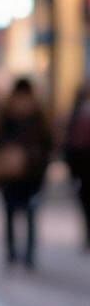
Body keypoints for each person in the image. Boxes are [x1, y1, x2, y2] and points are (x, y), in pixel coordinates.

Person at [0, 78, 52, 269]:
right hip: (22, 174)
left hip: (22, 174)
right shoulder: (36, 114)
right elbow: (48, 144)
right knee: (23, 215)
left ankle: (18, 254)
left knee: (18, 215)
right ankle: (22, 254)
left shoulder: (9, 113)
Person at [65, 85, 90, 251]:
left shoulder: (78, 115)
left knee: (86, 204)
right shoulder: (78, 116)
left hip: (82, 168)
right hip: (83, 166)